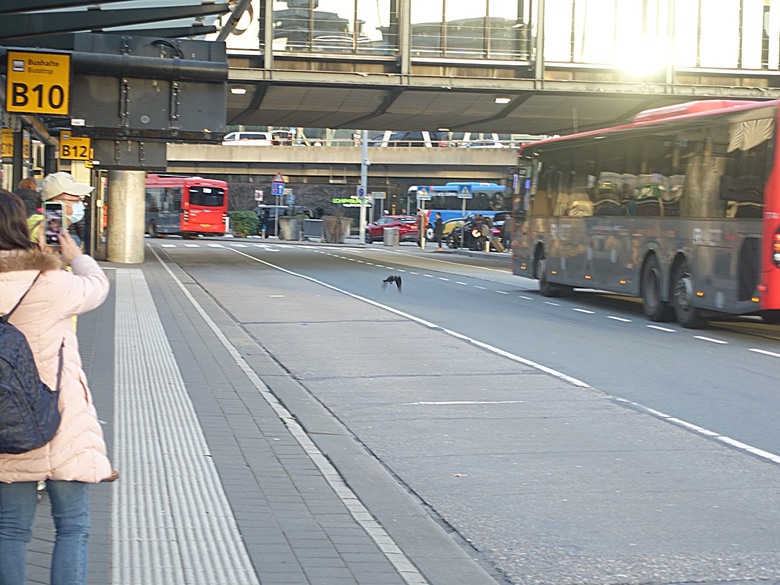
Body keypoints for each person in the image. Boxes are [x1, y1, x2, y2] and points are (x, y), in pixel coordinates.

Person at [0, 189, 116, 585]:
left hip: (6, 423)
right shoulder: (48, 280)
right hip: (62, 420)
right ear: (20, 227)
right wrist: (75, 256)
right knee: (72, 528)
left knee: (10, 531)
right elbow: (97, 287)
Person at [40, 172, 93, 247]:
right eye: (74, 201)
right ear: (56, 202)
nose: (79, 205)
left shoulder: (59, 231)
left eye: (79, 200)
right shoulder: (40, 232)